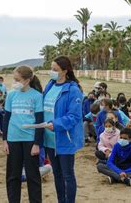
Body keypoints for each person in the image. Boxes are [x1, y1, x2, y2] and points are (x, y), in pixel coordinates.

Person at [44, 56, 83, 203]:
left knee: (67, 174)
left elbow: (74, 116)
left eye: (55, 69)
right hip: (49, 139)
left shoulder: (73, 90)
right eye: (51, 68)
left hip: (64, 138)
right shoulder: (49, 85)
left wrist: (57, 124)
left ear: (65, 71)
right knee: (57, 174)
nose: (52, 72)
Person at [3, 66, 44, 203]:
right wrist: (4, 140)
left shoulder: (37, 96)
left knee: (33, 176)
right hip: (13, 139)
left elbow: (40, 122)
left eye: (17, 79)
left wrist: (37, 144)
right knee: (13, 176)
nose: (14, 82)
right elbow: (6, 118)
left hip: (30, 140)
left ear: (26, 80)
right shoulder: (11, 95)